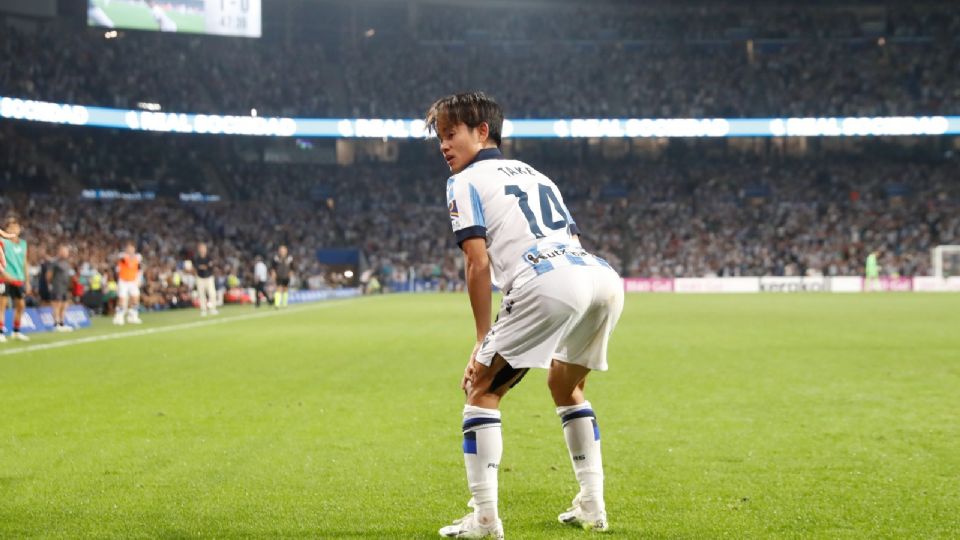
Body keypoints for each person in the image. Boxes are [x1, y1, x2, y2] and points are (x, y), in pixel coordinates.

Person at [427, 92, 623, 538]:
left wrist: (481, 340)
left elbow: (477, 263)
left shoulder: (463, 181)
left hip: (547, 279)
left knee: (481, 388)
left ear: (482, 131)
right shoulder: (538, 174)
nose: (443, 146)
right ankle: (592, 505)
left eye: (450, 133)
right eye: (440, 137)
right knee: (565, 384)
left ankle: (484, 519)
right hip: (600, 277)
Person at [0, 218, 32, 342]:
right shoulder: (3, 242)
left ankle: (16, 331)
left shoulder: (23, 244)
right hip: (5, 277)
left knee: (21, 305)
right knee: (2, 304)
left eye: (16, 226)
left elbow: (25, 263)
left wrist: (27, 281)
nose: (14, 229)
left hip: (19, 278)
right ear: (6, 229)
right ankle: (1, 332)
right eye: (11, 227)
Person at [114, 241, 143, 325]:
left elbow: (139, 270)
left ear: (134, 249)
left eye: (132, 248)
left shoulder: (138, 257)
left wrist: (139, 280)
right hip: (123, 281)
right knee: (122, 299)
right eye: (128, 248)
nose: (130, 250)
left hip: (133, 281)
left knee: (136, 298)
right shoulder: (122, 256)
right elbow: (122, 261)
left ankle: (133, 315)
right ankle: (119, 316)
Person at [46, 244, 74, 332]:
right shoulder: (54, 262)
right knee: (57, 305)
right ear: (60, 252)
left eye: (66, 252)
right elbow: (48, 275)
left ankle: (62, 323)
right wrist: (50, 284)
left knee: (64, 305)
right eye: (64, 251)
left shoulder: (67, 263)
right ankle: (56, 323)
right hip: (57, 286)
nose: (65, 253)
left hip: (65, 287)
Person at [191, 242, 217, 316]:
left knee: (212, 293)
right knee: (201, 294)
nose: (203, 250)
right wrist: (203, 266)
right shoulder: (197, 258)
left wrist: (202, 266)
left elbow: (210, 266)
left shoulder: (209, 257)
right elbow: (196, 266)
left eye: (204, 248)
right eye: (201, 248)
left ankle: (213, 308)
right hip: (200, 277)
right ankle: (203, 310)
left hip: (209, 277)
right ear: (199, 249)